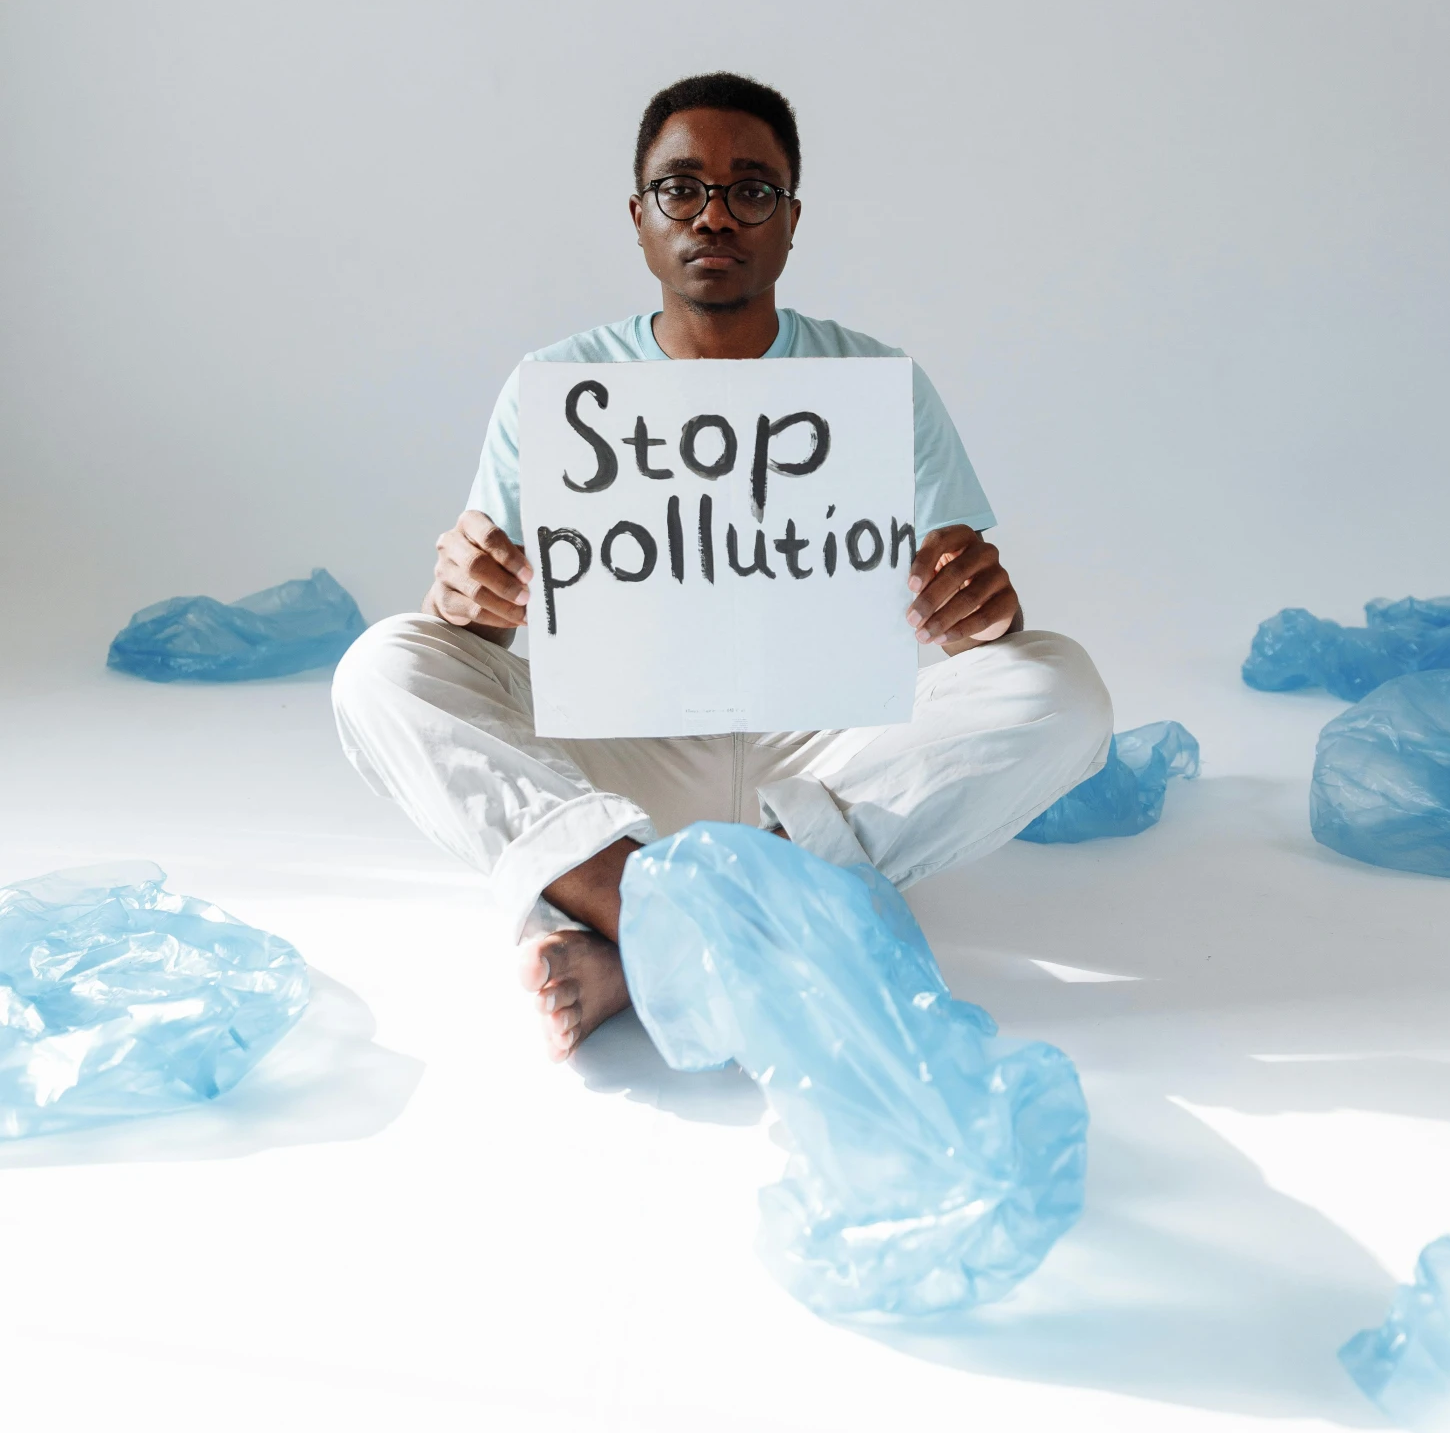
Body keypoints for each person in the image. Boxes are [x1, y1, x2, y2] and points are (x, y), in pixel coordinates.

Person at [333, 72, 1112, 1059]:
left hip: (825, 760)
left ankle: (653, 939)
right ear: (639, 215)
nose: (714, 214)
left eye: (751, 189)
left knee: (1063, 687)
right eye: (680, 187)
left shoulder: (877, 385)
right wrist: (463, 596)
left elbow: (966, 634)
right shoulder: (562, 387)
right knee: (383, 665)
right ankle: (691, 912)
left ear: (789, 221)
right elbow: (481, 633)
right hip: (619, 754)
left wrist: (984, 614)